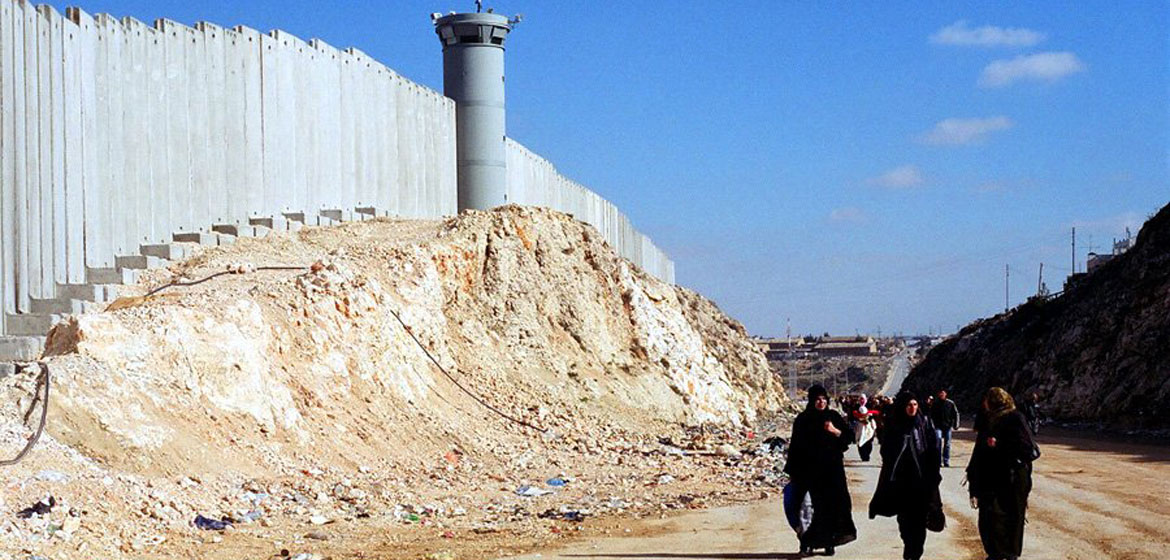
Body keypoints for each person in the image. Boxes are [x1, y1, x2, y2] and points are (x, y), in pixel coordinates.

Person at [869, 391, 944, 560]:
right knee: (904, 521)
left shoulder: (924, 423)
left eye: (915, 405)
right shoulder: (894, 425)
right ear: (903, 407)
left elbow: (933, 449)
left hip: (921, 481)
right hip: (901, 481)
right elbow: (885, 449)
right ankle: (909, 545)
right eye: (909, 405)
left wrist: (933, 473)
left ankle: (914, 552)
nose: (912, 408)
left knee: (919, 520)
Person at [784, 384, 858, 556]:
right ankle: (806, 543)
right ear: (811, 400)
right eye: (817, 399)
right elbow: (795, 447)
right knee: (807, 508)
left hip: (831, 472)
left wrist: (835, 431)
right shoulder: (802, 420)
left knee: (831, 507)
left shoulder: (833, 417)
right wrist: (793, 472)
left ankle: (829, 542)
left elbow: (849, 437)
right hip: (808, 473)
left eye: (824, 399)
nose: (821, 402)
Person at [966, 387, 1039, 560]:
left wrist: (1000, 445)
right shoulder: (989, 419)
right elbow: (979, 452)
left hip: (1011, 481)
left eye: (987, 399)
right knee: (988, 521)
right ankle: (995, 554)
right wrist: (973, 478)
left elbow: (1030, 451)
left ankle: (1008, 555)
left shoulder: (1015, 418)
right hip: (989, 481)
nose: (984, 403)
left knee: (1008, 520)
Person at [930, 389, 960, 467]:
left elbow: (956, 413)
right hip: (938, 427)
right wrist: (931, 426)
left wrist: (956, 425)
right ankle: (938, 461)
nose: (941, 394)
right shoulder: (935, 404)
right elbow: (931, 415)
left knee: (947, 444)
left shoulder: (950, 403)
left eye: (943, 393)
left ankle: (946, 461)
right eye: (940, 393)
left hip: (947, 426)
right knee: (938, 442)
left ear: (946, 394)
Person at [851, 394, 878, 462]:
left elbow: (875, 413)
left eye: (863, 399)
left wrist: (868, 417)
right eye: (861, 399)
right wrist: (859, 418)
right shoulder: (856, 406)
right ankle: (863, 456)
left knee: (869, 441)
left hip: (868, 427)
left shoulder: (869, 406)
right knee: (860, 441)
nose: (862, 400)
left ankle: (867, 454)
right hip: (859, 427)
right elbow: (852, 415)